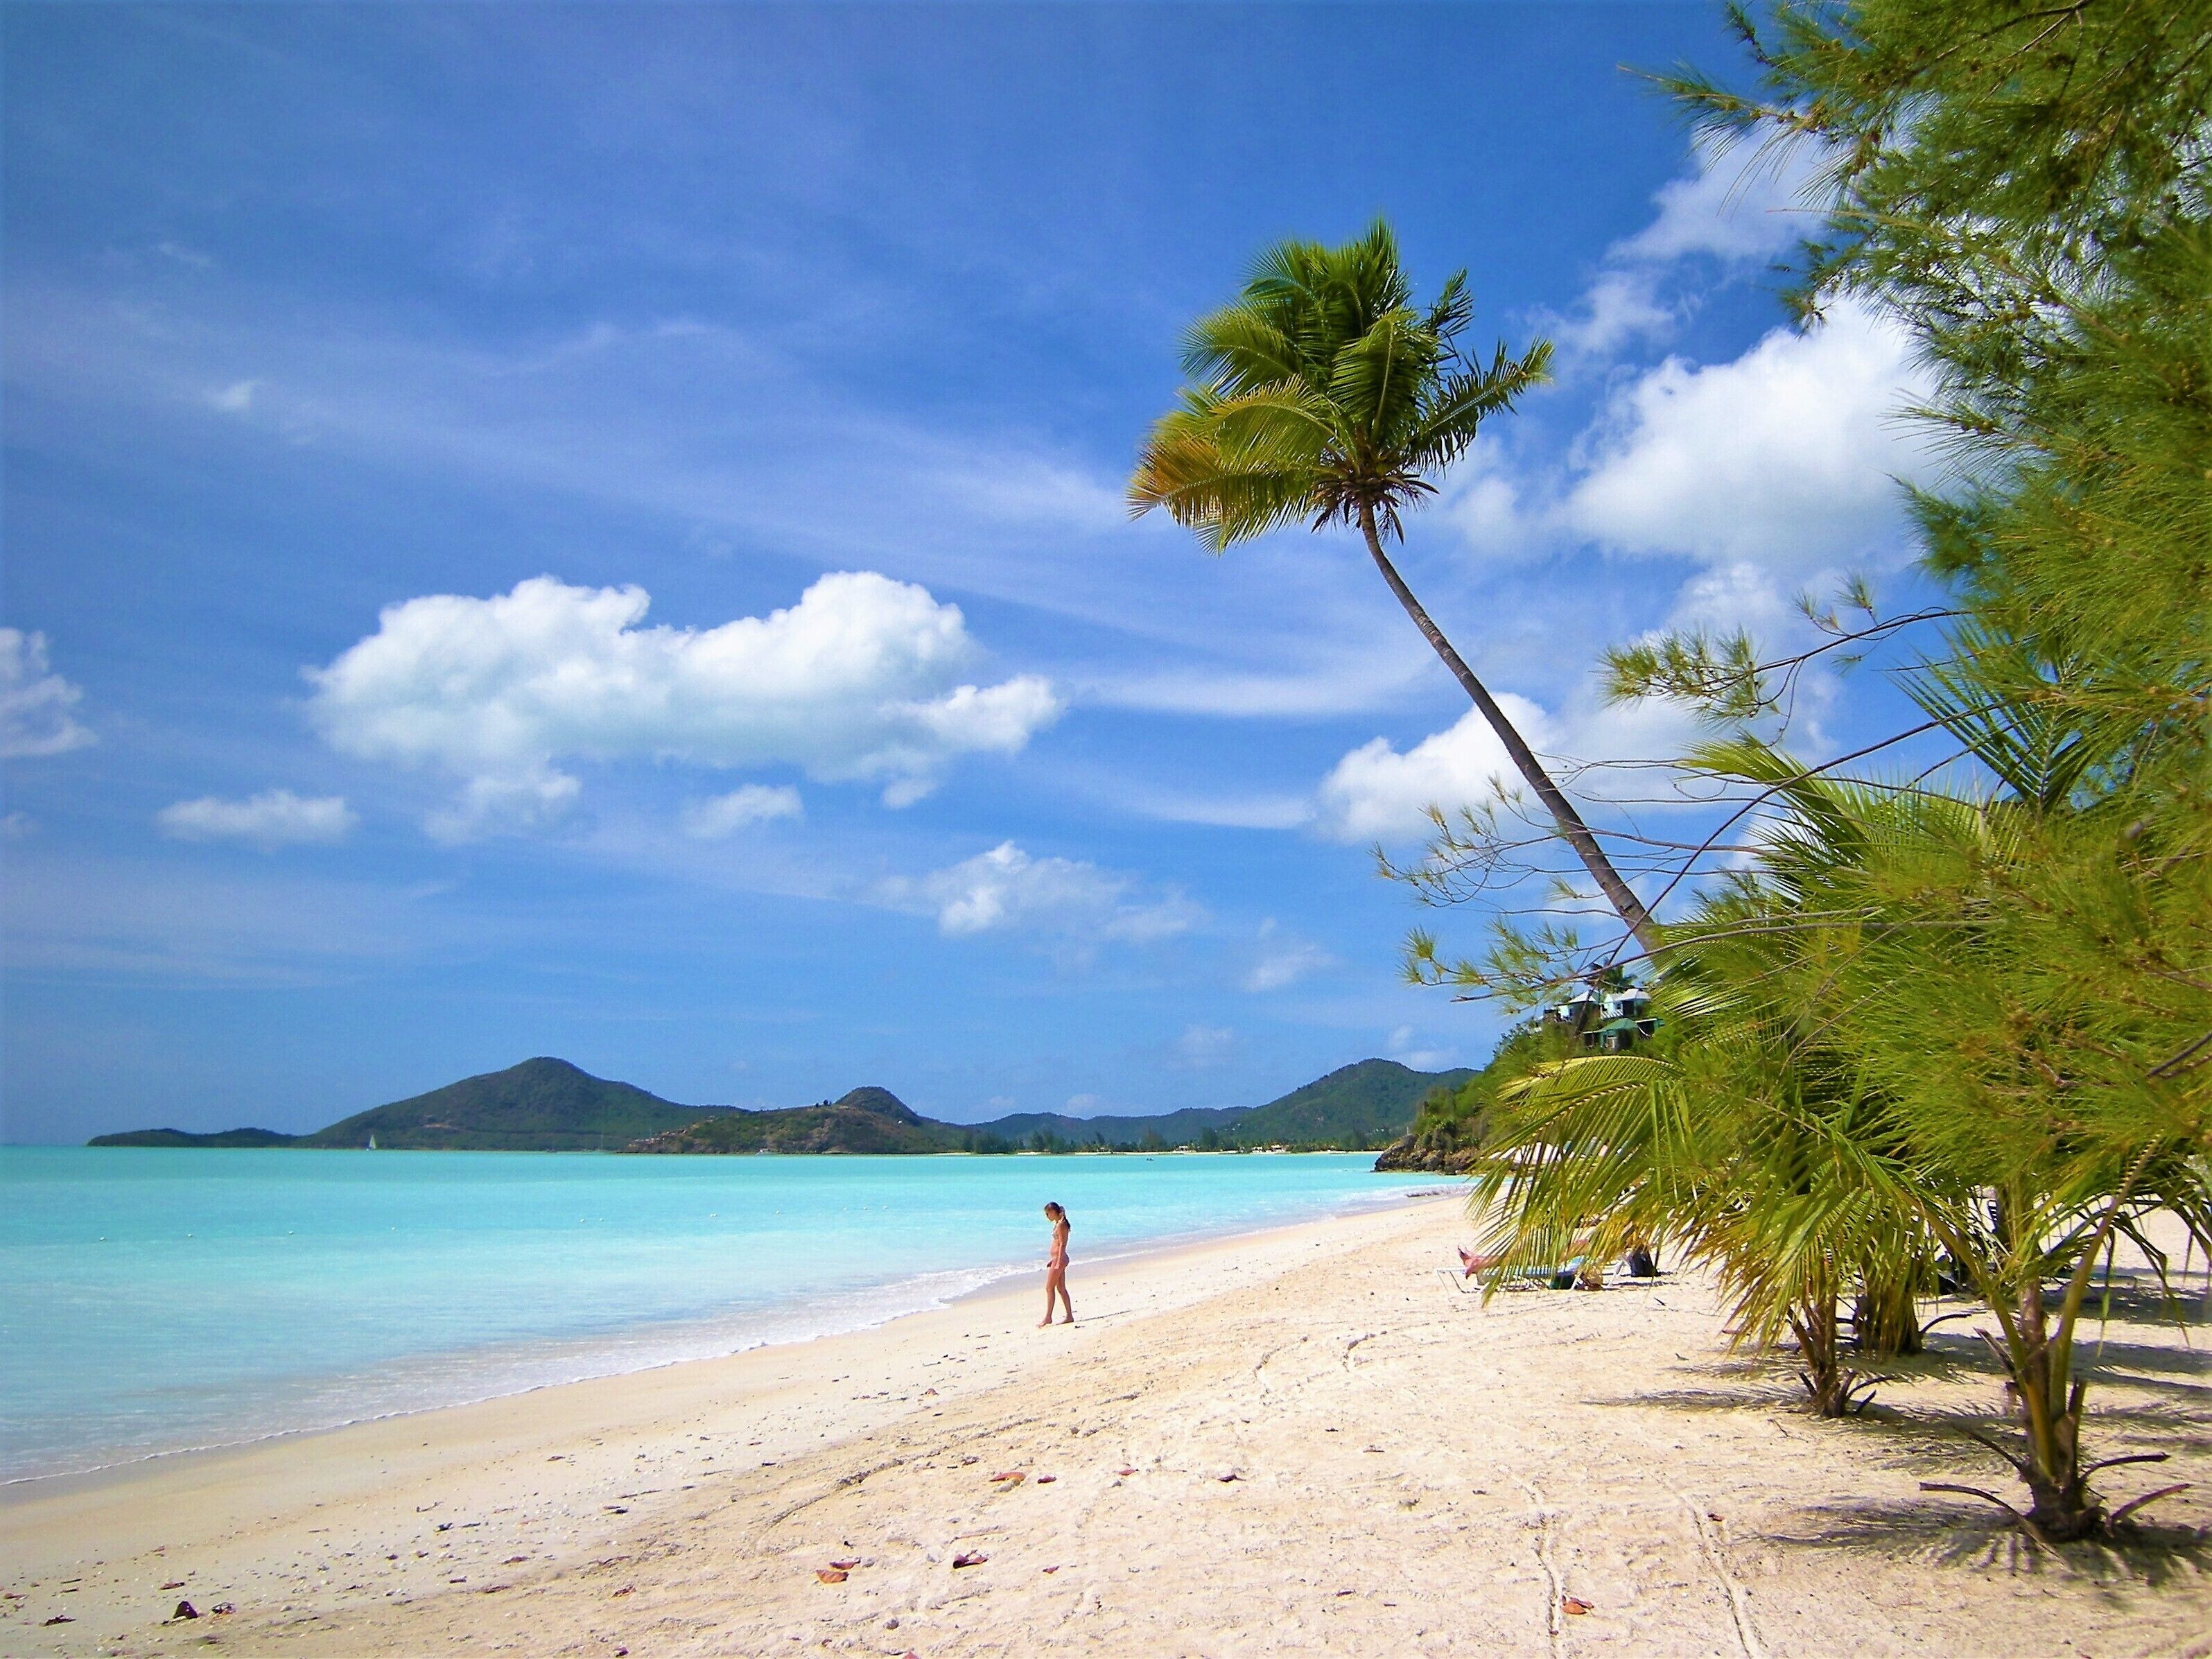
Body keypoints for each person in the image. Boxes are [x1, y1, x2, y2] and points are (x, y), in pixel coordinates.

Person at [1040, 1201, 1074, 1326]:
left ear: (1053, 1212)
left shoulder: (1061, 1225)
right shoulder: (1058, 1224)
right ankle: (1069, 1316)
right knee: (1060, 1288)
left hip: (1060, 1259)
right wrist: (1054, 1259)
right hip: (1057, 1259)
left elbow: (1062, 1244)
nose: (1047, 1217)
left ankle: (1048, 1317)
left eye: (1048, 1214)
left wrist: (1058, 1261)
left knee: (1049, 1288)